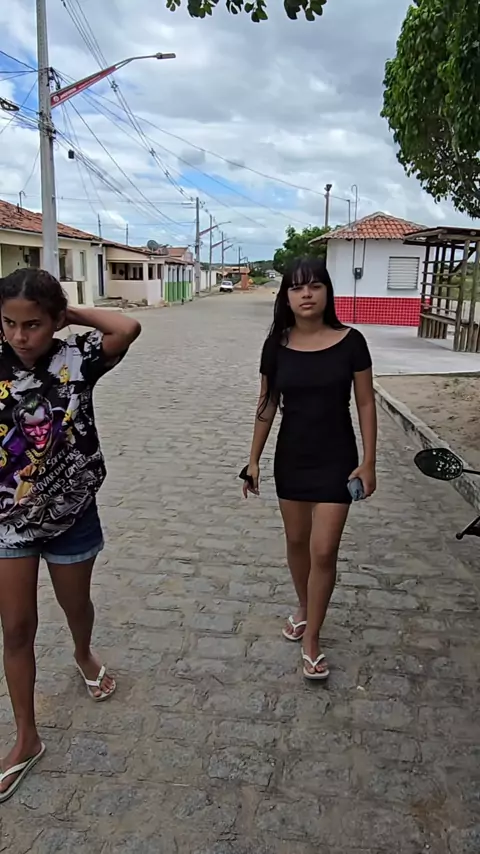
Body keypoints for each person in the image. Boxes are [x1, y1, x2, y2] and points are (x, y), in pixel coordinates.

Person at [0, 267, 141, 801]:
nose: (20, 336)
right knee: (16, 628)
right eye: (9, 323)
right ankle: (27, 738)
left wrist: (68, 314)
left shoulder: (77, 358)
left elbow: (126, 328)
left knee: (75, 606)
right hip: (8, 521)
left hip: (72, 513)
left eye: (32, 324)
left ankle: (83, 652)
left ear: (54, 321)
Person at [243, 257, 377, 681]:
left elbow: (366, 402)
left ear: (327, 292)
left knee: (323, 550)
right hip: (292, 459)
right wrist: (253, 460)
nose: (306, 294)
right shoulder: (276, 346)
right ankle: (304, 605)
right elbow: (267, 404)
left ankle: (312, 638)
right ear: (286, 296)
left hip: (337, 460)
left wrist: (369, 461)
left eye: (315, 286)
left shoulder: (352, 342)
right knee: (298, 542)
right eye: (297, 287)